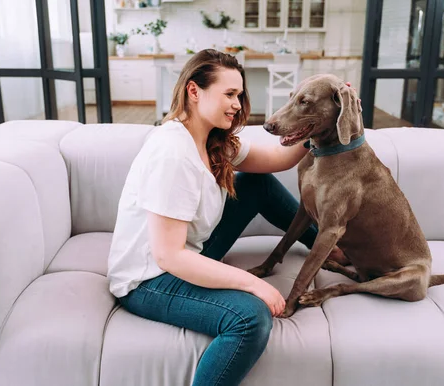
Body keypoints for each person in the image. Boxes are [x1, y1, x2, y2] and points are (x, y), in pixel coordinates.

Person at [107, 49, 318, 386]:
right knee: (250, 319)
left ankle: (331, 249)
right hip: (149, 279)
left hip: (189, 254)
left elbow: (280, 158)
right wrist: (253, 283)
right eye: (229, 94)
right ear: (194, 91)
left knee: (256, 183)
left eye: (240, 95)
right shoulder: (172, 154)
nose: (237, 104)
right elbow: (168, 255)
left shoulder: (212, 141)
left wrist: (319, 121)